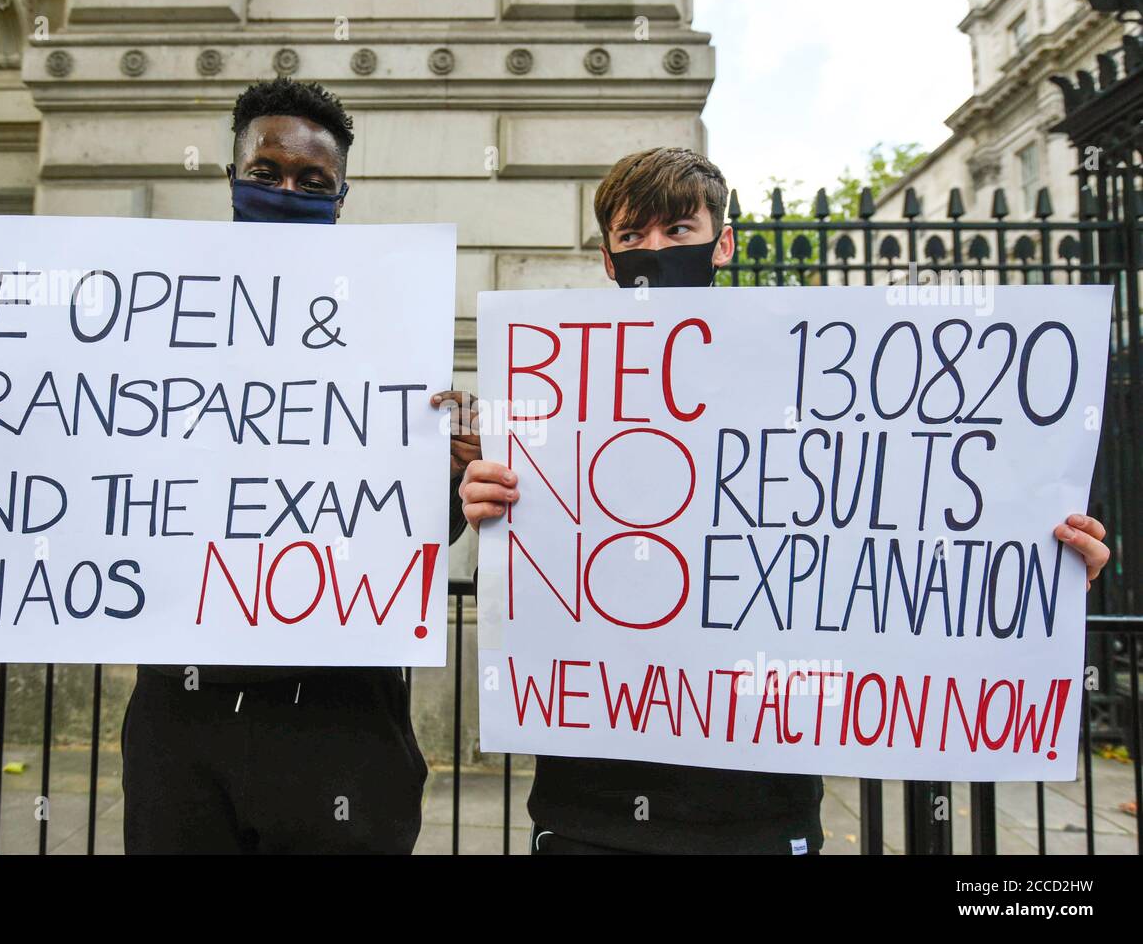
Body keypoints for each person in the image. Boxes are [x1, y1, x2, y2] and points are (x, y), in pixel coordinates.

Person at [457, 146, 1113, 854]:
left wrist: (1040, 558)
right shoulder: (556, 391)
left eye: (678, 230)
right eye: (631, 235)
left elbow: (908, 521)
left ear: (723, 243)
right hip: (592, 806)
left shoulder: (803, 378)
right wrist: (489, 500)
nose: (654, 249)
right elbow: (536, 554)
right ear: (609, 260)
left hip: (759, 807)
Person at [0, 78, 481, 854]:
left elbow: (396, 527)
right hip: (183, 720)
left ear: (341, 199)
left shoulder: (391, 331)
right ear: (230, 179)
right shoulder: (143, 320)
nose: (286, 191)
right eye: (266, 173)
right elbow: (62, 441)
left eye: (312, 181)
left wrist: (452, 473)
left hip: (341, 721)